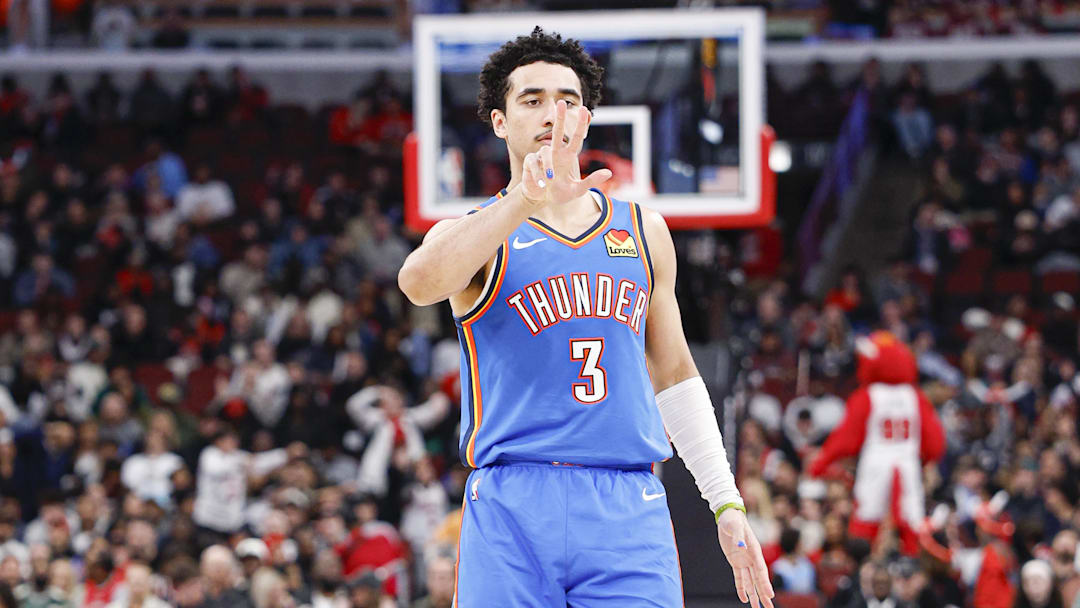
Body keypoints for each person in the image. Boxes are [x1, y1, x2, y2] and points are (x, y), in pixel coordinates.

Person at [397, 27, 773, 607]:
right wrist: (525, 200)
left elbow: (675, 375)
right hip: (512, 501)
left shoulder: (643, 230)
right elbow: (418, 284)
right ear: (500, 122)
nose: (554, 114)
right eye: (532, 99)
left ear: (587, 119)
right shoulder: (474, 236)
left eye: (568, 100)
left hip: (626, 501)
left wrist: (724, 501)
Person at [809, 331, 946, 556]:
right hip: (907, 464)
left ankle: (860, 562)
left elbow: (845, 438)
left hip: (876, 463)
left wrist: (821, 462)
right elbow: (935, 442)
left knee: (866, 520)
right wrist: (926, 461)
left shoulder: (868, 395)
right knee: (911, 521)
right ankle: (912, 561)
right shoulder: (915, 396)